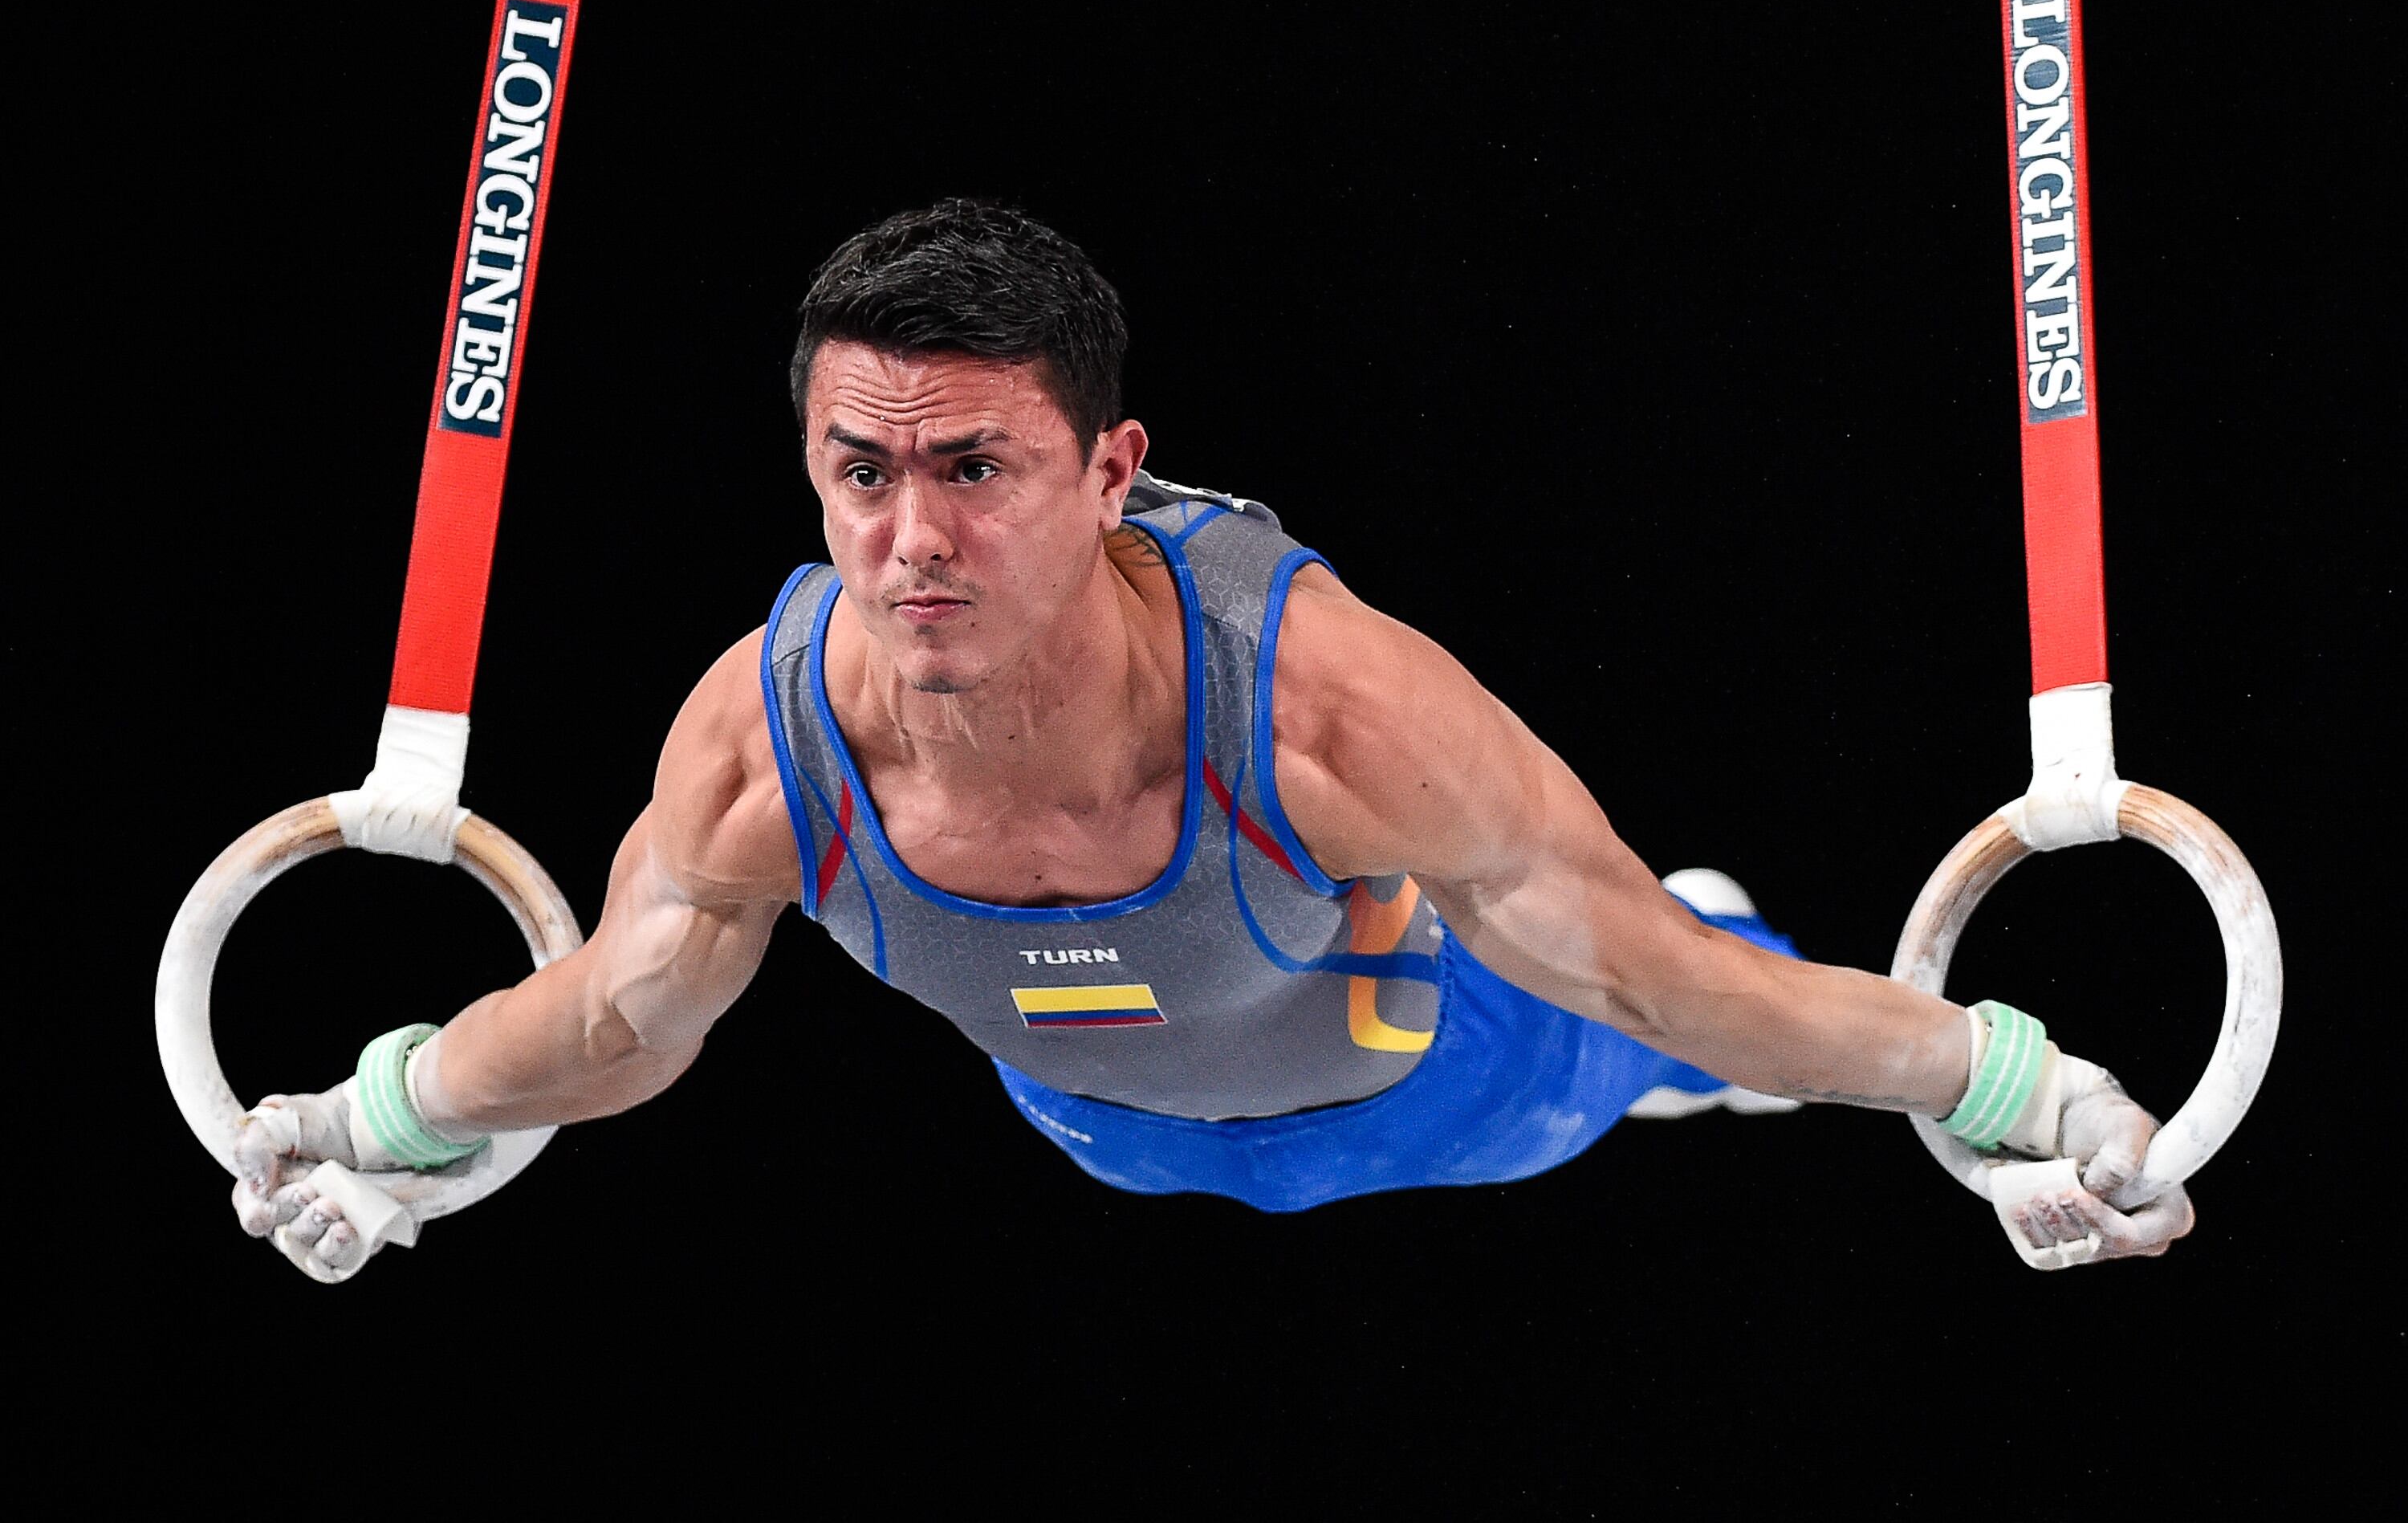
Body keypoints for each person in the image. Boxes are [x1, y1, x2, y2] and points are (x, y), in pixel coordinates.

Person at [231, 198, 2194, 1276]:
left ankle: (1718, 1032)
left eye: (975, 467)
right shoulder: (765, 751)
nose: (910, 540)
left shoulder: (1325, 710)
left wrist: (2017, 1081)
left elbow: (1655, 980)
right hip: (1100, 1128)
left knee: (1667, 1008)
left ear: (1112, 472)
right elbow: (610, 1020)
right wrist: (385, 1122)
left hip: (1442, 1082)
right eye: (861, 472)